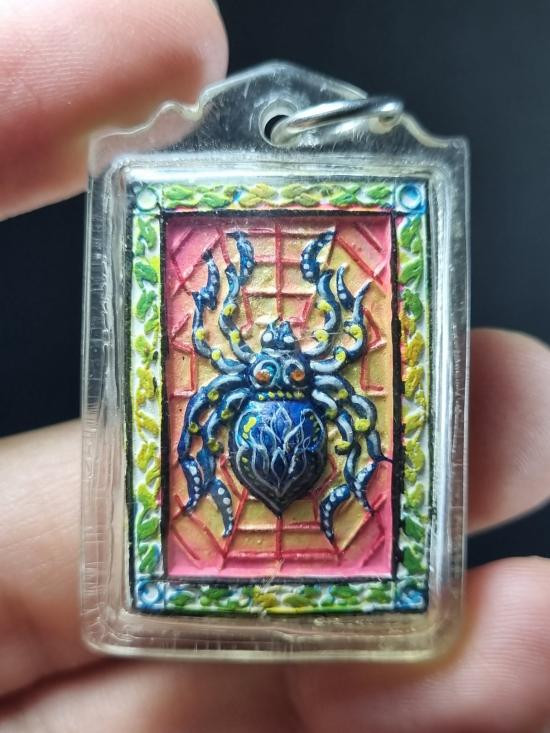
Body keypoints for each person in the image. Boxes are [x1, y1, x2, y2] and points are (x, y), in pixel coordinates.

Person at [0, 1, 549, 730]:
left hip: (267, 434)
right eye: (280, 343)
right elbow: (341, 371)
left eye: (284, 343)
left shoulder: (240, 370)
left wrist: (237, 284)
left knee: (247, 434)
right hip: (284, 436)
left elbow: (219, 371)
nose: (284, 340)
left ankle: (258, 511)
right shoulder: (304, 372)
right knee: (306, 432)